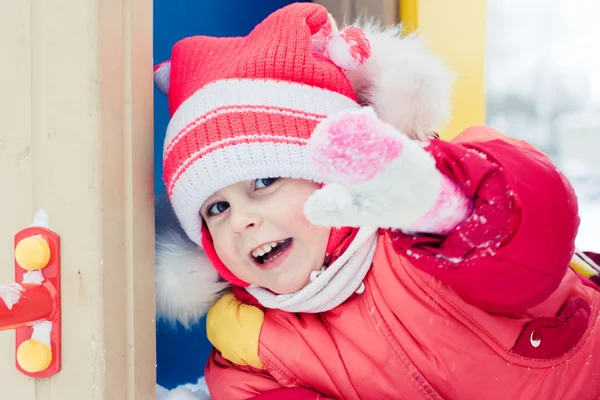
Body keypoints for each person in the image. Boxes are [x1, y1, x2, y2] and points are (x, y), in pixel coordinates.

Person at [153, 3, 600, 399]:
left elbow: (536, 228)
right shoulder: (250, 345)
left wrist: (439, 203)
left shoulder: (423, 229)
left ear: (331, 172)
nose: (242, 220)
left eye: (265, 181)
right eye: (217, 208)